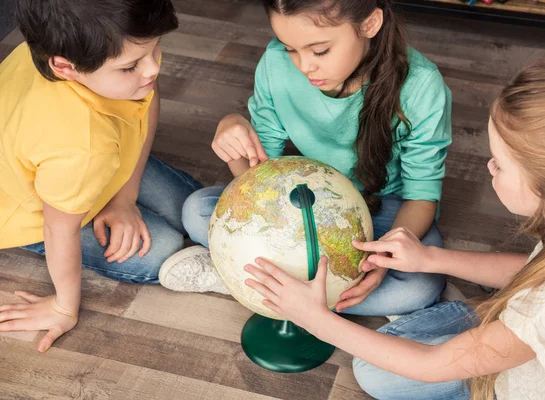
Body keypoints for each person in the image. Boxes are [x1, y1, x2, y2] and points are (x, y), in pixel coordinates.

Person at [244, 55, 545, 400]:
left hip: (508, 386)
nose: (489, 167)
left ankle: (482, 324)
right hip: (531, 330)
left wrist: (314, 319)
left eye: (500, 165)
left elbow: (431, 366)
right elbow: (534, 271)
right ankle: (484, 318)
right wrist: (429, 258)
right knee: (386, 351)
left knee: (373, 371)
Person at [159, 0, 453, 319]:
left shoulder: (422, 85)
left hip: (385, 205)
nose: (303, 66)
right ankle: (336, 299)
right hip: (301, 194)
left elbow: (421, 197)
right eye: (290, 49)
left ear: (369, 24)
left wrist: (381, 262)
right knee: (197, 210)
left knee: (421, 285)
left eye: (320, 50)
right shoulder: (274, 63)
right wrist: (233, 131)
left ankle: (251, 287)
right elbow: (256, 181)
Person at [0, 0, 203, 352]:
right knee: (162, 250)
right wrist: (64, 307)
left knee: (188, 205)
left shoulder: (112, 52)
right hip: (35, 208)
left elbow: (147, 100)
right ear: (65, 67)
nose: (152, 69)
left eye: (156, 49)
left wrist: (124, 197)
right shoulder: (81, 147)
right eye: (131, 67)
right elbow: (57, 227)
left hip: (89, 159)